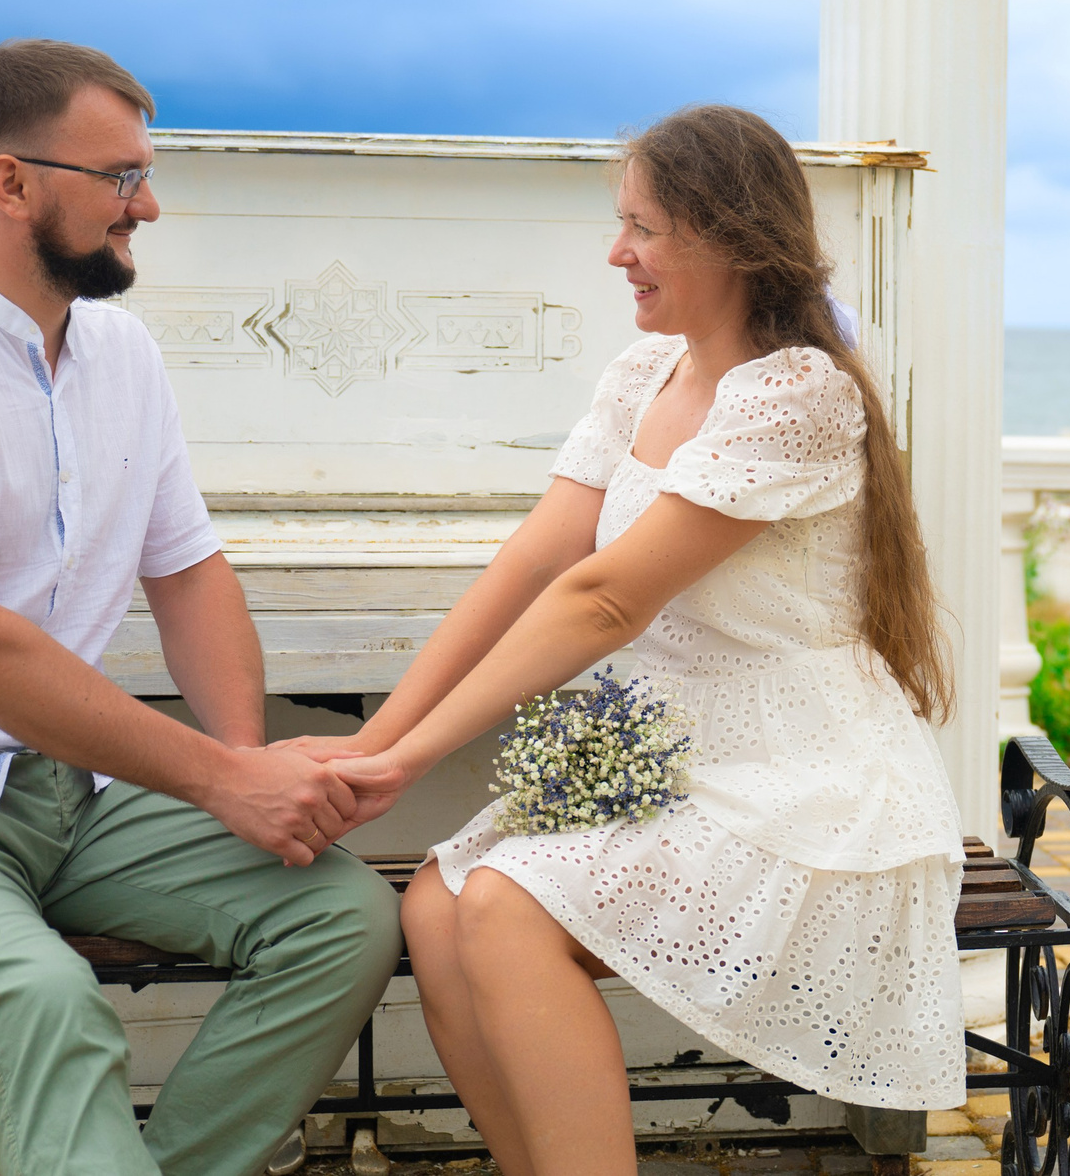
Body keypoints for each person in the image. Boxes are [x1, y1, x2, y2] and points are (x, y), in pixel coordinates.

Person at [0, 39, 400, 1176]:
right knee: (46, 1006)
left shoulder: (122, 354)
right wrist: (220, 779)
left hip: (63, 792)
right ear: (10, 182)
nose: (150, 204)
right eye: (121, 178)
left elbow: (187, 574)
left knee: (341, 921)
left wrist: (241, 770)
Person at [294, 104, 965, 1176]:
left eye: (643, 229)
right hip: (674, 756)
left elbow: (606, 601)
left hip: (804, 776)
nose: (619, 254)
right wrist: (377, 738)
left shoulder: (795, 393)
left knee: (506, 910)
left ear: (730, 237)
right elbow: (535, 561)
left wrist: (399, 764)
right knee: (438, 901)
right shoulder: (642, 375)